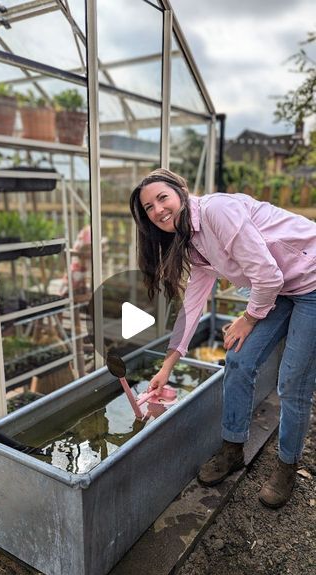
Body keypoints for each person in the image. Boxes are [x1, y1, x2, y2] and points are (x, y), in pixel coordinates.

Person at [130, 168, 316, 509]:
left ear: (181, 193)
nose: (157, 210)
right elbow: (193, 302)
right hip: (279, 286)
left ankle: (287, 466)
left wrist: (247, 319)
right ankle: (232, 450)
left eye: (162, 197)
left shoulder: (217, 211)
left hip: (310, 279)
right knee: (238, 360)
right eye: (148, 207)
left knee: (293, 382)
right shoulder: (190, 241)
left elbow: (267, 276)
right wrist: (168, 365)